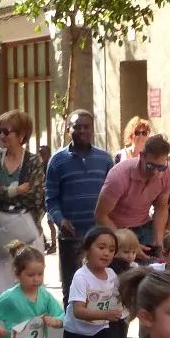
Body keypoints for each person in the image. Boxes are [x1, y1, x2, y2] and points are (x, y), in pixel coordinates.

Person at [44, 109, 116, 291]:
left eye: (86, 126)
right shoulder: (57, 161)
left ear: (92, 129)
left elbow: (115, 196)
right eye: (77, 127)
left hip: (101, 237)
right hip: (71, 238)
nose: (82, 130)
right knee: (71, 289)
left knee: (103, 289)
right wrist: (60, 220)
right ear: (68, 129)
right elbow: (51, 199)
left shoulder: (105, 159)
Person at [0, 108, 45, 296]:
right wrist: (17, 190)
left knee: (29, 278)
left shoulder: (33, 161)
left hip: (26, 227)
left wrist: (2, 192)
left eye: (6, 131)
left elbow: (35, 196)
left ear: (21, 135)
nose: (2, 136)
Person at [95, 133, 170, 249]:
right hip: (116, 227)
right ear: (141, 156)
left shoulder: (169, 172)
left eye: (161, 167)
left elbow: (161, 207)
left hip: (144, 226)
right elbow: (100, 215)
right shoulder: (118, 176)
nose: (155, 173)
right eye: (150, 166)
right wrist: (126, 242)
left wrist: (158, 242)